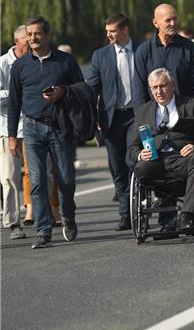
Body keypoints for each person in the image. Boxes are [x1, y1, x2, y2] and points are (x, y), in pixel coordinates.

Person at [7, 16, 85, 249]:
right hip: (31, 129)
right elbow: (14, 102)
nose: (32, 38)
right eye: (29, 34)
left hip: (60, 128)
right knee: (38, 181)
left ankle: (68, 218)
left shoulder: (65, 61)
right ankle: (43, 231)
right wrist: (12, 135)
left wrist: (63, 92)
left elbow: (82, 90)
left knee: (66, 180)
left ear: (48, 35)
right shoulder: (20, 66)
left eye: (37, 33)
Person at [129, 69, 194, 234]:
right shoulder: (144, 111)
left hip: (183, 159)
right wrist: (141, 155)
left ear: (173, 86)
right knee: (140, 167)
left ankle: (187, 214)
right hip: (155, 161)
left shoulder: (193, 105)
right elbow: (133, 147)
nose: (159, 91)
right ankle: (164, 216)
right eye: (154, 87)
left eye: (163, 86)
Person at [85, 13, 139, 231]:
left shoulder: (142, 50)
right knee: (117, 167)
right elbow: (93, 88)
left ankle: (136, 208)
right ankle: (125, 214)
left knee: (132, 162)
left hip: (137, 116)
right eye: (107, 31)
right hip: (111, 118)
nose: (108, 35)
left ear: (125, 29)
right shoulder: (100, 56)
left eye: (113, 31)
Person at [132, 4, 194, 108]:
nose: (173, 23)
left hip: (185, 115)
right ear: (156, 23)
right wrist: (144, 118)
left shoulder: (190, 48)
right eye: (168, 20)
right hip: (154, 117)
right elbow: (138, 89)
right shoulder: (144, 51)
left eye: (175, 19)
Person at [1, 25, 29, 240]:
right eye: (28, 40)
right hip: (6, 128)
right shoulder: (2, 63)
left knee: (39, 175)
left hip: (32, 126)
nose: (32, 43)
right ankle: (12, 222)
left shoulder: (34, 61)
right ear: (17, 41)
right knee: (9, 177)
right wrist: (17, 93)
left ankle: (42, 217)